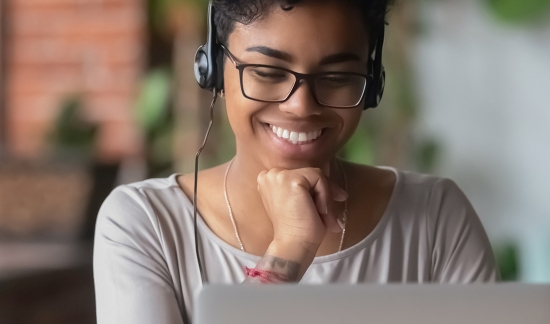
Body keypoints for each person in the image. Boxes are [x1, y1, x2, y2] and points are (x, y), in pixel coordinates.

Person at [93, 0, 499, 323]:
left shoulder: (436, 217)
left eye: (337, 77)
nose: (301, 106)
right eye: (268, 72)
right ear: (214, 69)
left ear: (371, 83)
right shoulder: (143, 224)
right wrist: (289, 250)